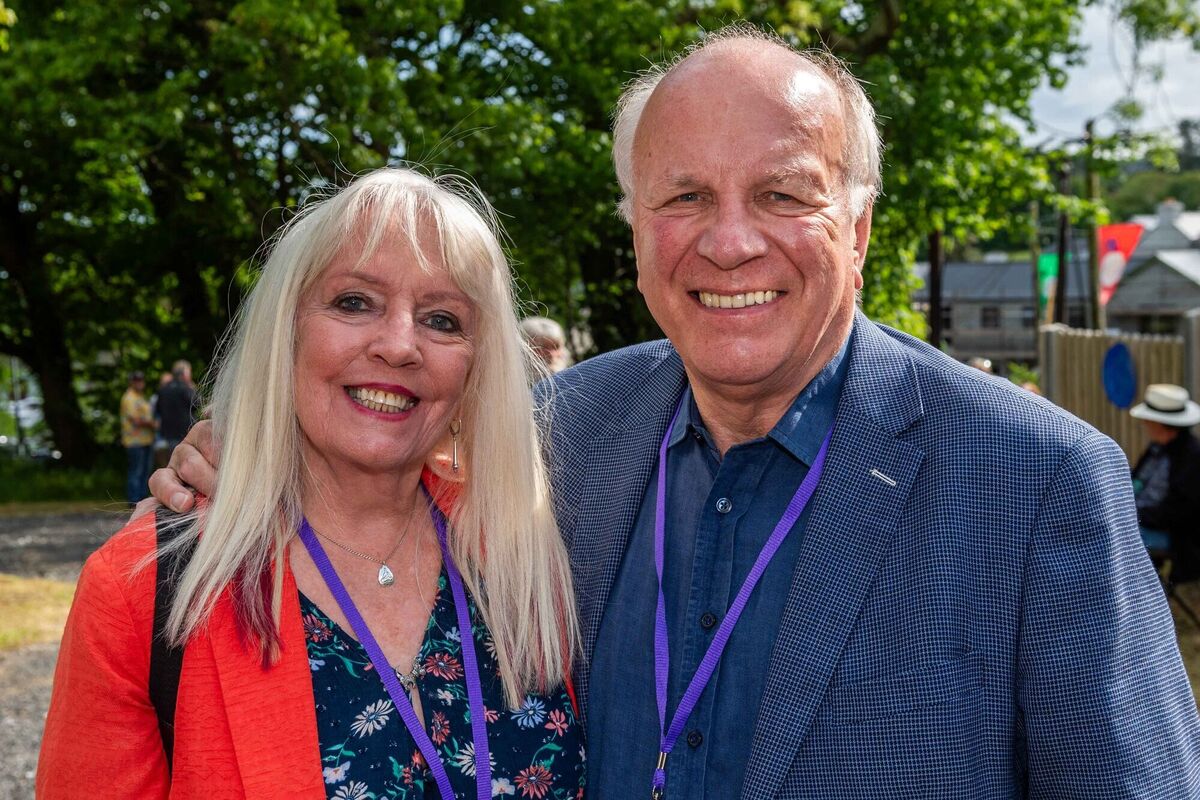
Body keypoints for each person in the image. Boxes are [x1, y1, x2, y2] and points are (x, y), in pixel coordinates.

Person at [145, 25, 1200, 798]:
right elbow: (376, 440)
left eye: (783, 194)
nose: (729, 240)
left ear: (861, 226)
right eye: (684, 196)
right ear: (637, 228)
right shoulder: (568, 426)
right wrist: (240, 449)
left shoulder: (1035, 478)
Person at [39, 169, 585, 799]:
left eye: (442, 319)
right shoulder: (144, 593)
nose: (400, 345)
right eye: (355, 302)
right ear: (285, 331)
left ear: (476, 368)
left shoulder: (530, 549)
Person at [1130, 383, 1200, 580]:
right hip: (1141, 520)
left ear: (1160, 423)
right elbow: (1136, 480)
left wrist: (1133, 515)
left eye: (1148, 419)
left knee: (1112, 538)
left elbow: (1179, 512)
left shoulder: (1191, 457)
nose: (1144, 423)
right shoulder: (1157, 448)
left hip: (1172, 535)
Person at [119, 370, 156, 505]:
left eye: (141, 380)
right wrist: (154, 424)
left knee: (144, 471)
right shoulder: (129, 398)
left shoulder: (141, 397)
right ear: (131, 382)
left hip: (146, 440)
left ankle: (142, 499)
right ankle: (134, 501)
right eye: (136, 380)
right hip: (134, 441)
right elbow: (136, 420)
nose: (139, 383)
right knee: (136, 471)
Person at [155, 359, 199, 462]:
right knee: (186, 461)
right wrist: (193, 388)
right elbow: (197, 403)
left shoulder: (163, 389)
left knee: (173, 461)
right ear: (184, 373)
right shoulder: (185, 388)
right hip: (186, 432)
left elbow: (158, 409)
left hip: (168, 433)